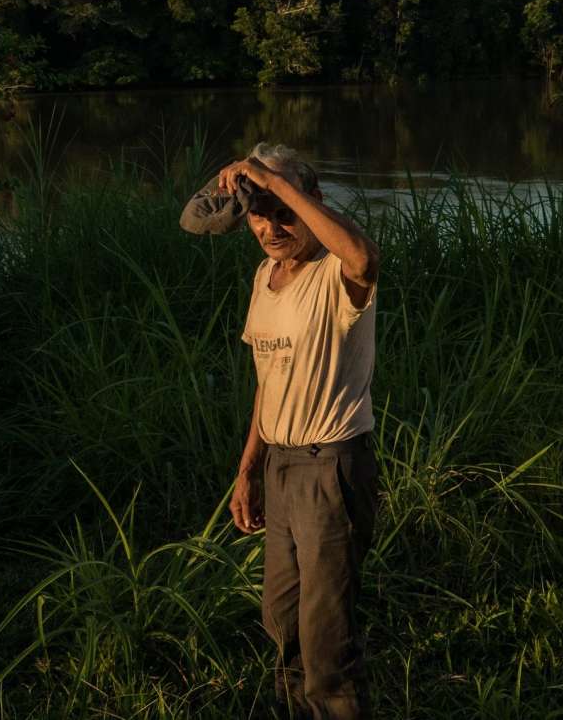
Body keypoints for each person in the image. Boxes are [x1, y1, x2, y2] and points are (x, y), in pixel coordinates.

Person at [214, 143, 380, 720]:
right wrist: (248, 470)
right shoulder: (266, 276)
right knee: (282, 622)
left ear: (312, 203)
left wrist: (275, 182)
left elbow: (364, 257)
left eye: (284, 212)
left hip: (330, 464)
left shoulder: (335, 274)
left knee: (326, 637)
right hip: (280, 466)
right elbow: (268, 380)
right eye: (259, 214)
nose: (271, 227)